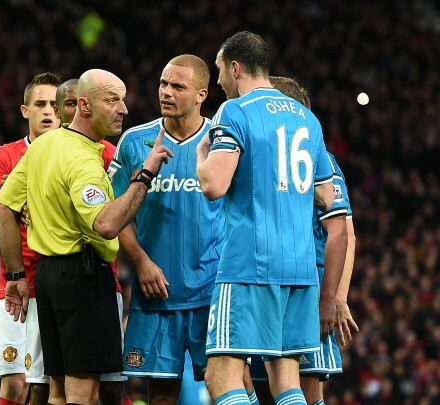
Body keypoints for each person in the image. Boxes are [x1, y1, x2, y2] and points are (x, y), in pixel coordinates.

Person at [0, 69, 173, 405]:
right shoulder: (82, 160)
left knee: (58, 391)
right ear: (84, 106)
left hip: (47, 278)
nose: (123, 109)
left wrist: (17, 275)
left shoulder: (44, 144)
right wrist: (145, 175)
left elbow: (5, 207)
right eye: (112, 100)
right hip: (82, 278)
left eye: (122, 99)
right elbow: (106, 225)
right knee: (84, 392)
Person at [195, 32, 347, 405]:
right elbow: (330, 202)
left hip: (250, 264)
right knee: (286, 378)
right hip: (300, 269)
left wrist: (201, 157)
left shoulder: (235, 110)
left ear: (235, 67)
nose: (217, 82)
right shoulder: (309, 120)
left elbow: (214, 185)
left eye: (218, 71)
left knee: (221, 376)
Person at [108, 54, 223, 405]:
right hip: (156, 292)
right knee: (159, 394)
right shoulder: (133, 141)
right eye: (163, 83)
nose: (166, 92)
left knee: (230, 385)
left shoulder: (223, 142)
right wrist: (140, 261)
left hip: (213, 293)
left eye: (178, 86)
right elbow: (115, 213)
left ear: (202, 94)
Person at [249, 77, 359, 405]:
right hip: (263, 283)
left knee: (307, 390)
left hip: (308, 287)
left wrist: (337, 297)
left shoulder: (319, 157)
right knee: (262, 386)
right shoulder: (258, 155)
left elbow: (345, 233)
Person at [0, 72, 61, 405]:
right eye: (40, 104)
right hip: (15, 285)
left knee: (48, 387)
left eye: (55, 105)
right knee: (14, 386)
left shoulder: (77, 154)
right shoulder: (4, 155)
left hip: (59, 282)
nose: (48, 112)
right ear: (24, 110)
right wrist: (17, 202)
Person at [54, 77, 129, 405]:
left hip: (99, 274)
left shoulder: (110, 153)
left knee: (107, 385)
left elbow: (121, 217)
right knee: (56, 387)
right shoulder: (47, 150)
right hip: (67, 274)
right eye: (66, 105)